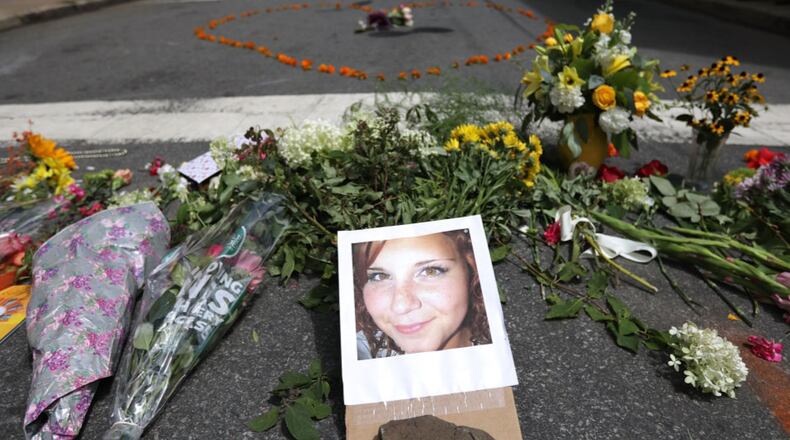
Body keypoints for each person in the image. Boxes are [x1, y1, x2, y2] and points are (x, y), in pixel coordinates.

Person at [353, 230, 491, 360]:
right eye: (379, 276)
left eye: (430, 271)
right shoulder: (360, 351)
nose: (401, 306)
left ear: (472, 268)